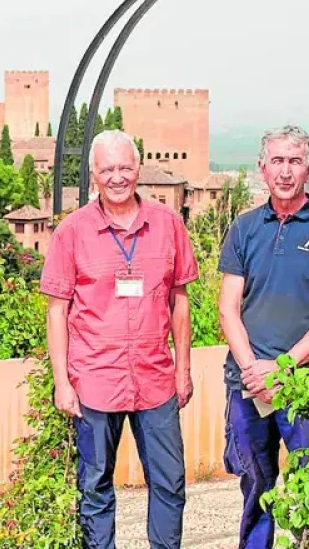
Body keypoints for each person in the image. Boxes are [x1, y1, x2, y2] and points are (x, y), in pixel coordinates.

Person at [40, 129, 199, 549]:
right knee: (94, 488)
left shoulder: (168, 225)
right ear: (93, 175)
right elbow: (57, 311)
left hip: (156, 380)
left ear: (138, 169)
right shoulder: (71, 232)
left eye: (125, 167)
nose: (117, 177)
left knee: (169, 483)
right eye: (107, 169)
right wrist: (62, 382)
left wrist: (183, 370)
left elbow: (179, 301)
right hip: (94, 381)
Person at [218, 125, 309, 549]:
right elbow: (228, 308)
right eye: (277, 161)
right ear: (262, 169)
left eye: (294, 161)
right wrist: (253, 370)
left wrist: (282, 369)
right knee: (255, 486)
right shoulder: (244, 228)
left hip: (303, 384)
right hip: (247, 384)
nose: (285, 171)